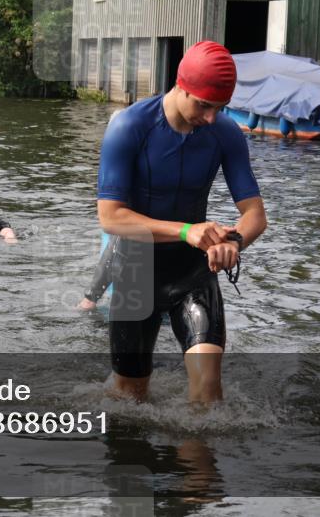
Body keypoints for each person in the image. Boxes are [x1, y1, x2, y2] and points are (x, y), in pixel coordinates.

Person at [82, 40, 267, 404]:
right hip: (136, 269)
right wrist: (186, 230)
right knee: (130, 397)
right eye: (204, 105)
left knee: (209, 391)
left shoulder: (225, 133)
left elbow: (255, 215)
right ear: (181, 86)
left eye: (220, 107)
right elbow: (110, 216)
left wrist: (234, 242)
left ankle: (196, 461)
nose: (211, 117)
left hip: (192, 272)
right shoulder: (130, 126)